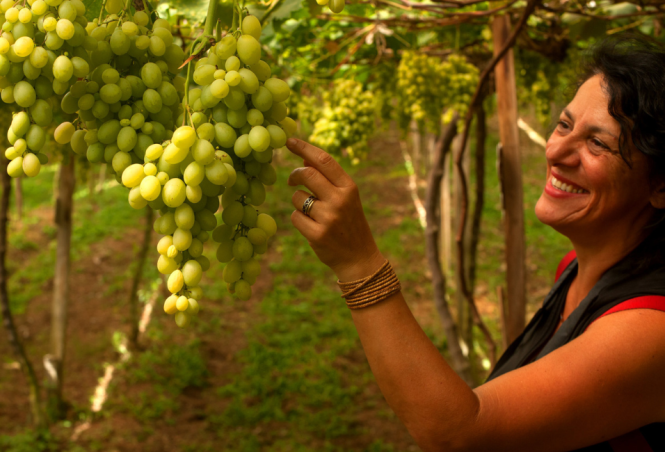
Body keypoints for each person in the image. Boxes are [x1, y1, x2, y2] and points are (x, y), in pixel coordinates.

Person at [285, 37, 665, 451]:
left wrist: (359, 264)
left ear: (660, 185)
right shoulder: (575, 268)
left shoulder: (653, 330)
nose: (555, 150)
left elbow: (462, 434)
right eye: (563, 124)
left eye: (597, 143)